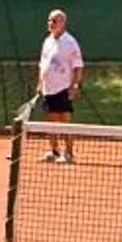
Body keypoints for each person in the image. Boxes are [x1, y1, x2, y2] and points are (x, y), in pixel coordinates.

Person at [35, 10, 86, 161]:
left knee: (64, 122)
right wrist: (40, 82)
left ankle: (68, 154)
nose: (50, 23)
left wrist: (74, 85)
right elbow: (42, 64)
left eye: (54, 21)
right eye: (49, 20)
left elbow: (78, 66)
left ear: (62, 23)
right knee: (51, 122)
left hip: (63, 88)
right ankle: (54, 151)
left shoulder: (70, 42)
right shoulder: (47, 41)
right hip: (48, 88)